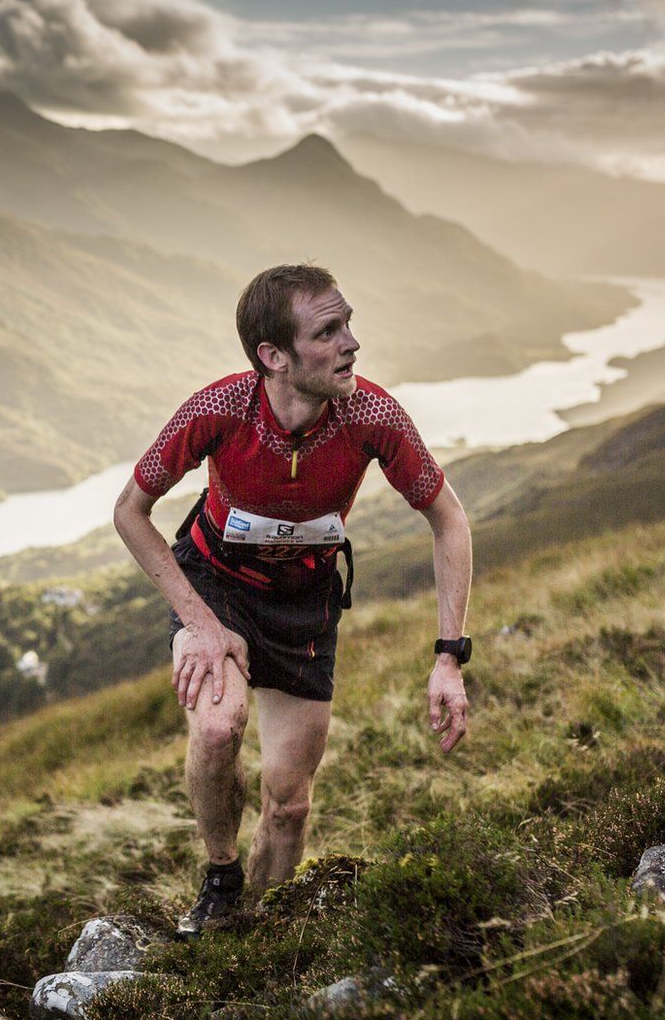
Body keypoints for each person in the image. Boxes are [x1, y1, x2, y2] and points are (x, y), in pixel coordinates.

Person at [111, 263, 473, 937]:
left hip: (306, 601)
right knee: (219, 726)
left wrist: (449, 656)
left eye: (349, 323)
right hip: (216, 582)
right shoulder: (217, 410)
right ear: (273, 356)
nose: (351, 343)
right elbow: (131, 511)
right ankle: (221, 879)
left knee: (289, 803)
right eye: (328, 331)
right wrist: (202, 624)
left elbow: (448, 518)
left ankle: (255, 932)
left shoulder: (373, 416)